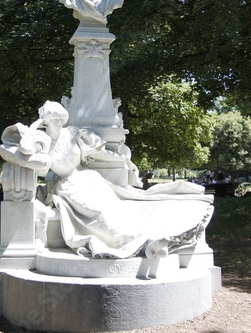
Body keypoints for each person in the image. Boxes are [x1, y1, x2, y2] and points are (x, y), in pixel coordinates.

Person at [16, 101, 213, 259]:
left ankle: (147, 238)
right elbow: (25, 148)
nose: (58, 123)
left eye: (61, 118)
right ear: (46, 120)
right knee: (100, 214)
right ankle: (140, 242)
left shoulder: (73, 134)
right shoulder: (42, 141)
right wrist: (36, 125)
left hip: (89, 179)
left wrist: (125, 161)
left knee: (116, 209)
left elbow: (101, 154)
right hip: (67, 187)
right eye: (53, 119)